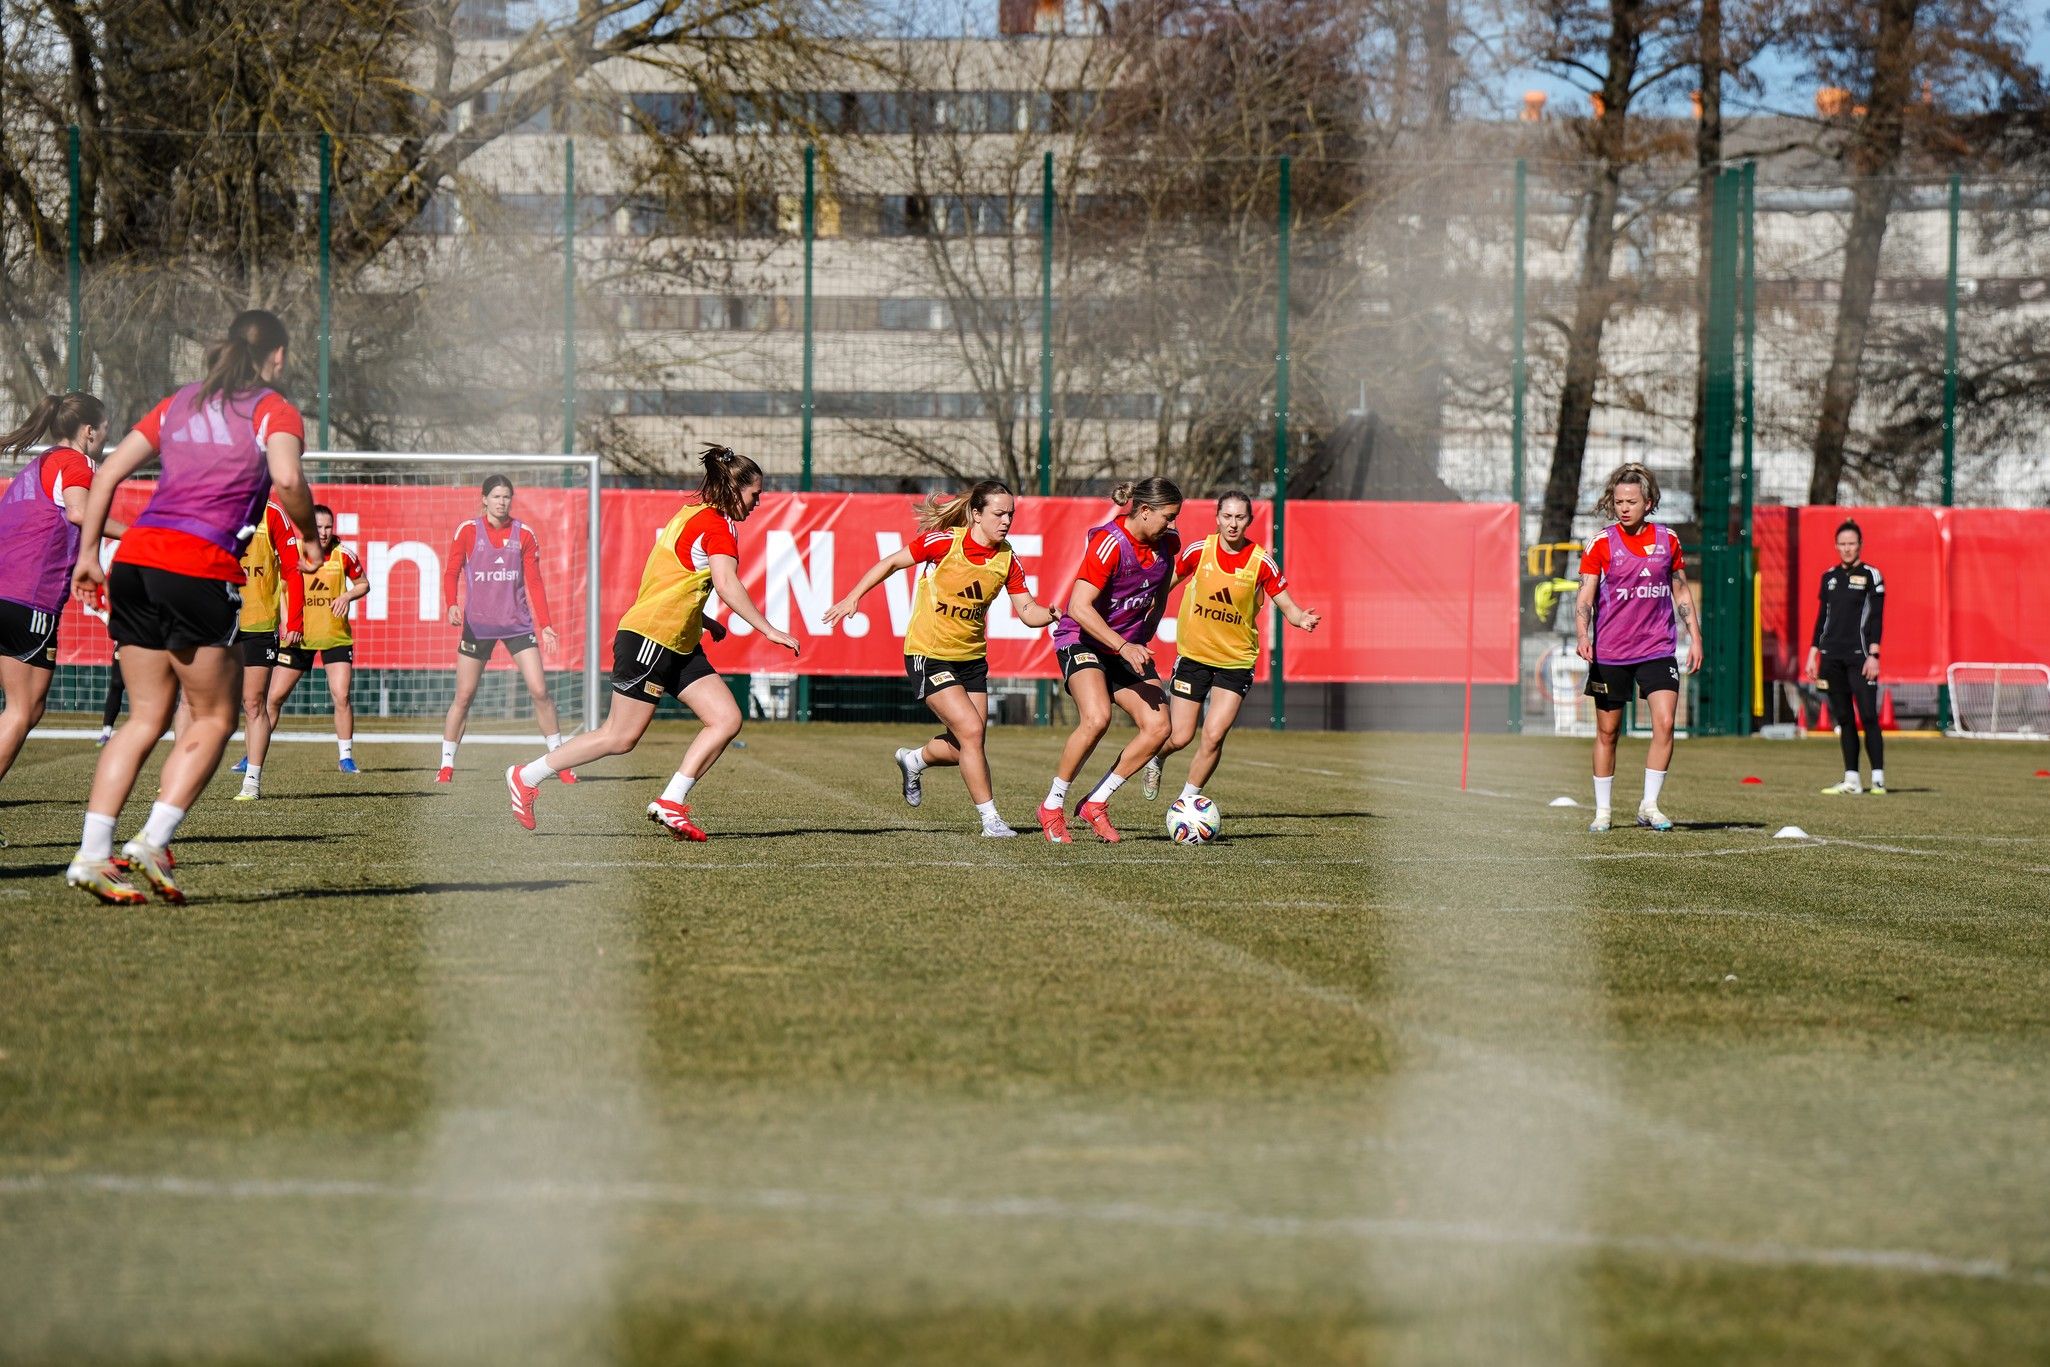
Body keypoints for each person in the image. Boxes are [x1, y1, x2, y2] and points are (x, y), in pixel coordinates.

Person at [65, 309, 318, 904]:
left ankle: (92, 854)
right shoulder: (273, 409)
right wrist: (308, 534)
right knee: (213, 718)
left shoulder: (179, 403)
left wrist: (88, 555)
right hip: (198, 566)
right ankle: (152, 841)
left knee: (145, 718)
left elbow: (106, 475)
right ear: (277, 355)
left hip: (135, 562)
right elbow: (286, 478)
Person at [505, 445, 796, 839]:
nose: (757, 503)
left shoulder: (688, 514)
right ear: (733, 488)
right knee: (619, 736)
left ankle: (671, 801)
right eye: (755, 494)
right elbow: (727, 584)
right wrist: (768, 629)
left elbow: (671, 578)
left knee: (726, 719)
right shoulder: (718, 525)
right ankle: (526, 776)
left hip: (678, 642)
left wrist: (703, 619)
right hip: (652, 638)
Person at [823, 480, 1059, 837]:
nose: (1006, 521)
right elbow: (891, 562)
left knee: (968, 743)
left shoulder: (1007, 558)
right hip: (929, 654)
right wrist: (853, 596)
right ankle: (991, 820)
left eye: (1011, 514)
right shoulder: (945, 542)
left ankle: (913, 759)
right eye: (999, 513)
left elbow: (1027, 611)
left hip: (971, 659)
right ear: (976, 514)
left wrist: (1051, 614)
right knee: (972, 731)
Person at [0, 391, 124, 847]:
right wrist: (138, 534)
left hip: (8, 591)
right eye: (105, 430)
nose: (106, 438)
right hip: (27, 597)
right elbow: (78, 512)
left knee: (24, 708)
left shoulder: (38, 465)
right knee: (23, 709)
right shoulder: (75, 463)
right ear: (89, 431)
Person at [1143, 489, 1320, 805]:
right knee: (1181, 736)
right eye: (1227, 516)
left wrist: (1301, 618)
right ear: (1217, 518)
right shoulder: (1199, 551)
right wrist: (1142, 606)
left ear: (1249, 520)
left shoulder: (1261, 562)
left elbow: (1289, 608)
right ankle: (1157, 758)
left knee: (1213, 736)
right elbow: (1162, 586)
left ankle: (1187, 803)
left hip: (1236, 661)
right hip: (1194, 656)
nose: (1233, 524)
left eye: (1240, 517)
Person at [1038, 478, 1182, 844]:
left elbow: (1161, 591)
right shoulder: (1109, 543)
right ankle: (1052, 806)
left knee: (1159, 727)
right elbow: (1078, 607)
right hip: (1082, 639)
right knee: (1097, 717)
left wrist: (1147, 627)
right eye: (1168, 516)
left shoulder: (1167, 543)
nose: (1173, 524)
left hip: (1125, 645)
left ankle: (1096, 802)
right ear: (1144, 511)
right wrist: (1123, 645)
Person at [1574, 462, 1702, 834]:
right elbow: (1585, 597)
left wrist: (1695, 637)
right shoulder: (1601, 543)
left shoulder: (1668, 540)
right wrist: (1583, 635)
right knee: (1608, 733)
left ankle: (1649, 805)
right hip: (1611, 652)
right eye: (1618, 502)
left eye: (1631, 501)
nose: (1624, 508)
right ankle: (1603, 811)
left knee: (1665, 723)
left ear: (1648, 503)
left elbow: (1681, 591)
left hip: (1658, 648)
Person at [438, 474, 573, 784]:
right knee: (464, 696)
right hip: (477, 625)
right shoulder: (468, 531)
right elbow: (451, 571)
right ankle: (446, 764)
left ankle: (561, 762)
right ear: (484, 499)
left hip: (517, 624)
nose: (502, 502)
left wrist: (546, 625)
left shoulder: (524, 534)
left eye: (506, 497)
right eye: (496, 496)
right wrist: (451, 604)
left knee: (540, 691)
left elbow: (534, 581)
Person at [267, 505, 368, 774]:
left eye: (327, 527)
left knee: (341, 695)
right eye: (318, 527)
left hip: (335, 637)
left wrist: (347, 595)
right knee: (273, 698)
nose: (323, 532)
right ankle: (251, 755)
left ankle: (346, 758)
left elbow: (363, 583)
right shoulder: (293, 552)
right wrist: (286, 621)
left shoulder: (343, 554)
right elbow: (280, 589)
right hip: (298, 637)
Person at [225, 494, 305, 798]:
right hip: (217, 621)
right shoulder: (214, 504)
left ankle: (252, 781)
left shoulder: (272, 515)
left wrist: (295, 620)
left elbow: (293, 570)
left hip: (257, 624)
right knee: (194, 702)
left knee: (253, 702)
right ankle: (178, 775)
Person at [1806, 518, 1887, 795]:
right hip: (1831, 657)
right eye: (1842, 544)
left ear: (1860, 545)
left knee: (1868, 715)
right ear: (1836, 546)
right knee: (1843, 717)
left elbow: (1876, 618)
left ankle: (1877, 779)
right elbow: (1822, 618)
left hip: (1860, 657)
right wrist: (1813, 653)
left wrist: (1874, 654)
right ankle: (1852, 779)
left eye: (1852, 543)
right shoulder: (1828, 577)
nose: (1847, 548)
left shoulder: (1872, 575)